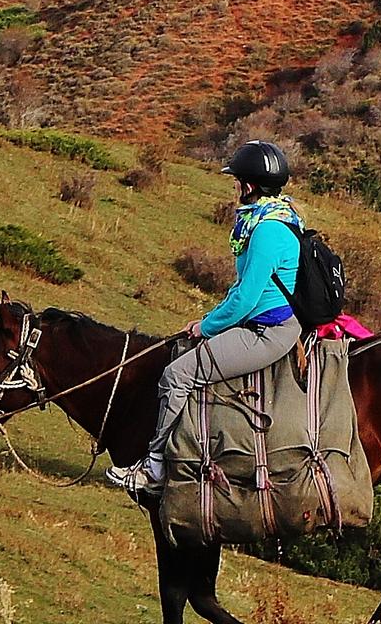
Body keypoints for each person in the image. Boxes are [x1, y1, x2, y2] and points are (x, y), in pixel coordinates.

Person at [108, 140, 309, 495]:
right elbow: (242, 289)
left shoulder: (267, 231)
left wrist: (208, 326)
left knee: (176, 375)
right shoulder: (274, 219)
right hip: (258, 322)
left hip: (267, 331)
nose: (234, 187)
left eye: (237, 182)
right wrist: (208, 320)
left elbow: (245, 299)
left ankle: (153, 470)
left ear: (248, 185)